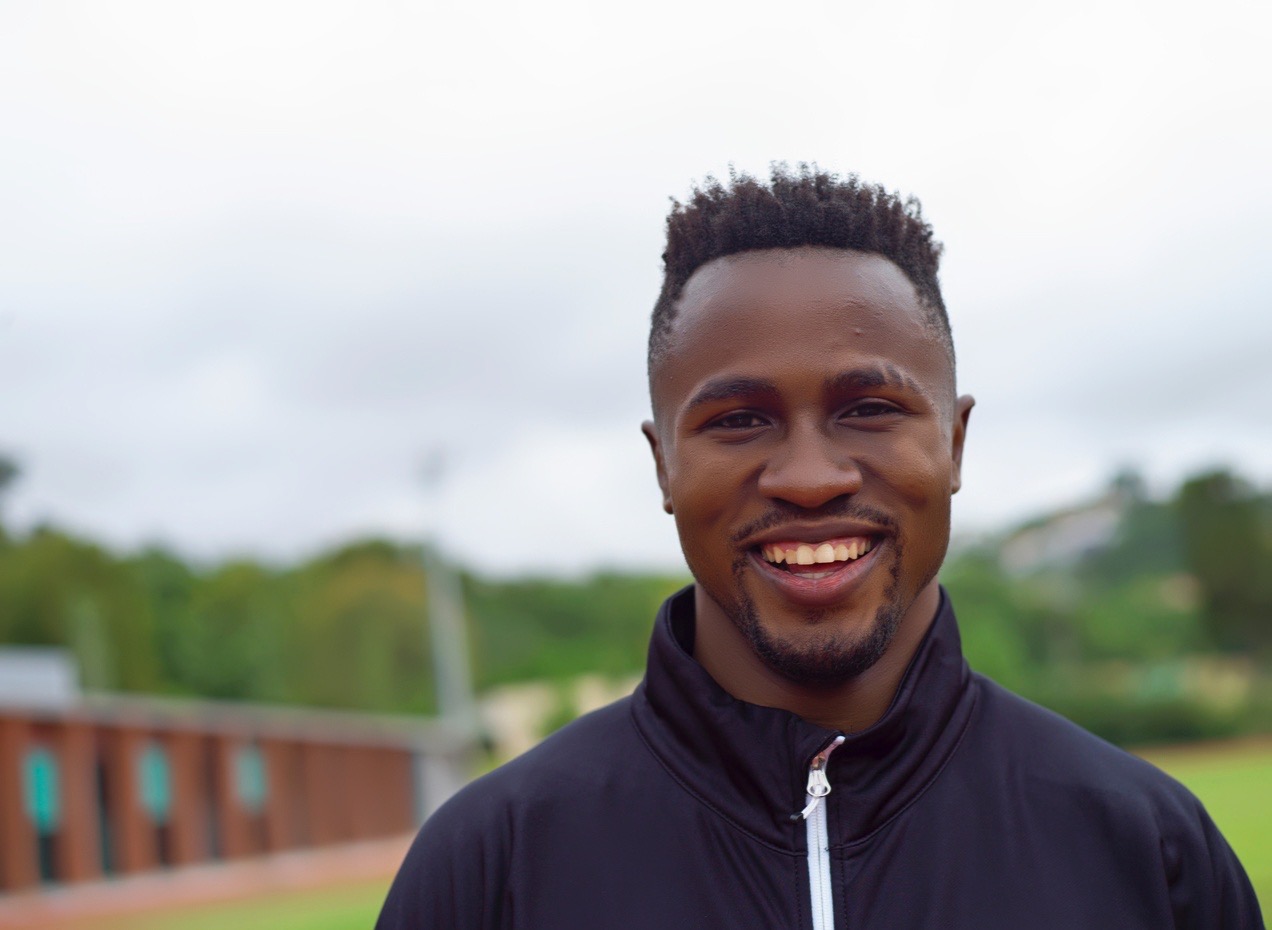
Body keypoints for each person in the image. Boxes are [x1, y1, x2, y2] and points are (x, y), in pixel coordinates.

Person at [377, 166, 1264, 929]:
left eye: (869, 409)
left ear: (955, 445)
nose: (809, 478)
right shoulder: (489, 868)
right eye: (739, 420)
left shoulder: (1149, 850)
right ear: (663, 466)